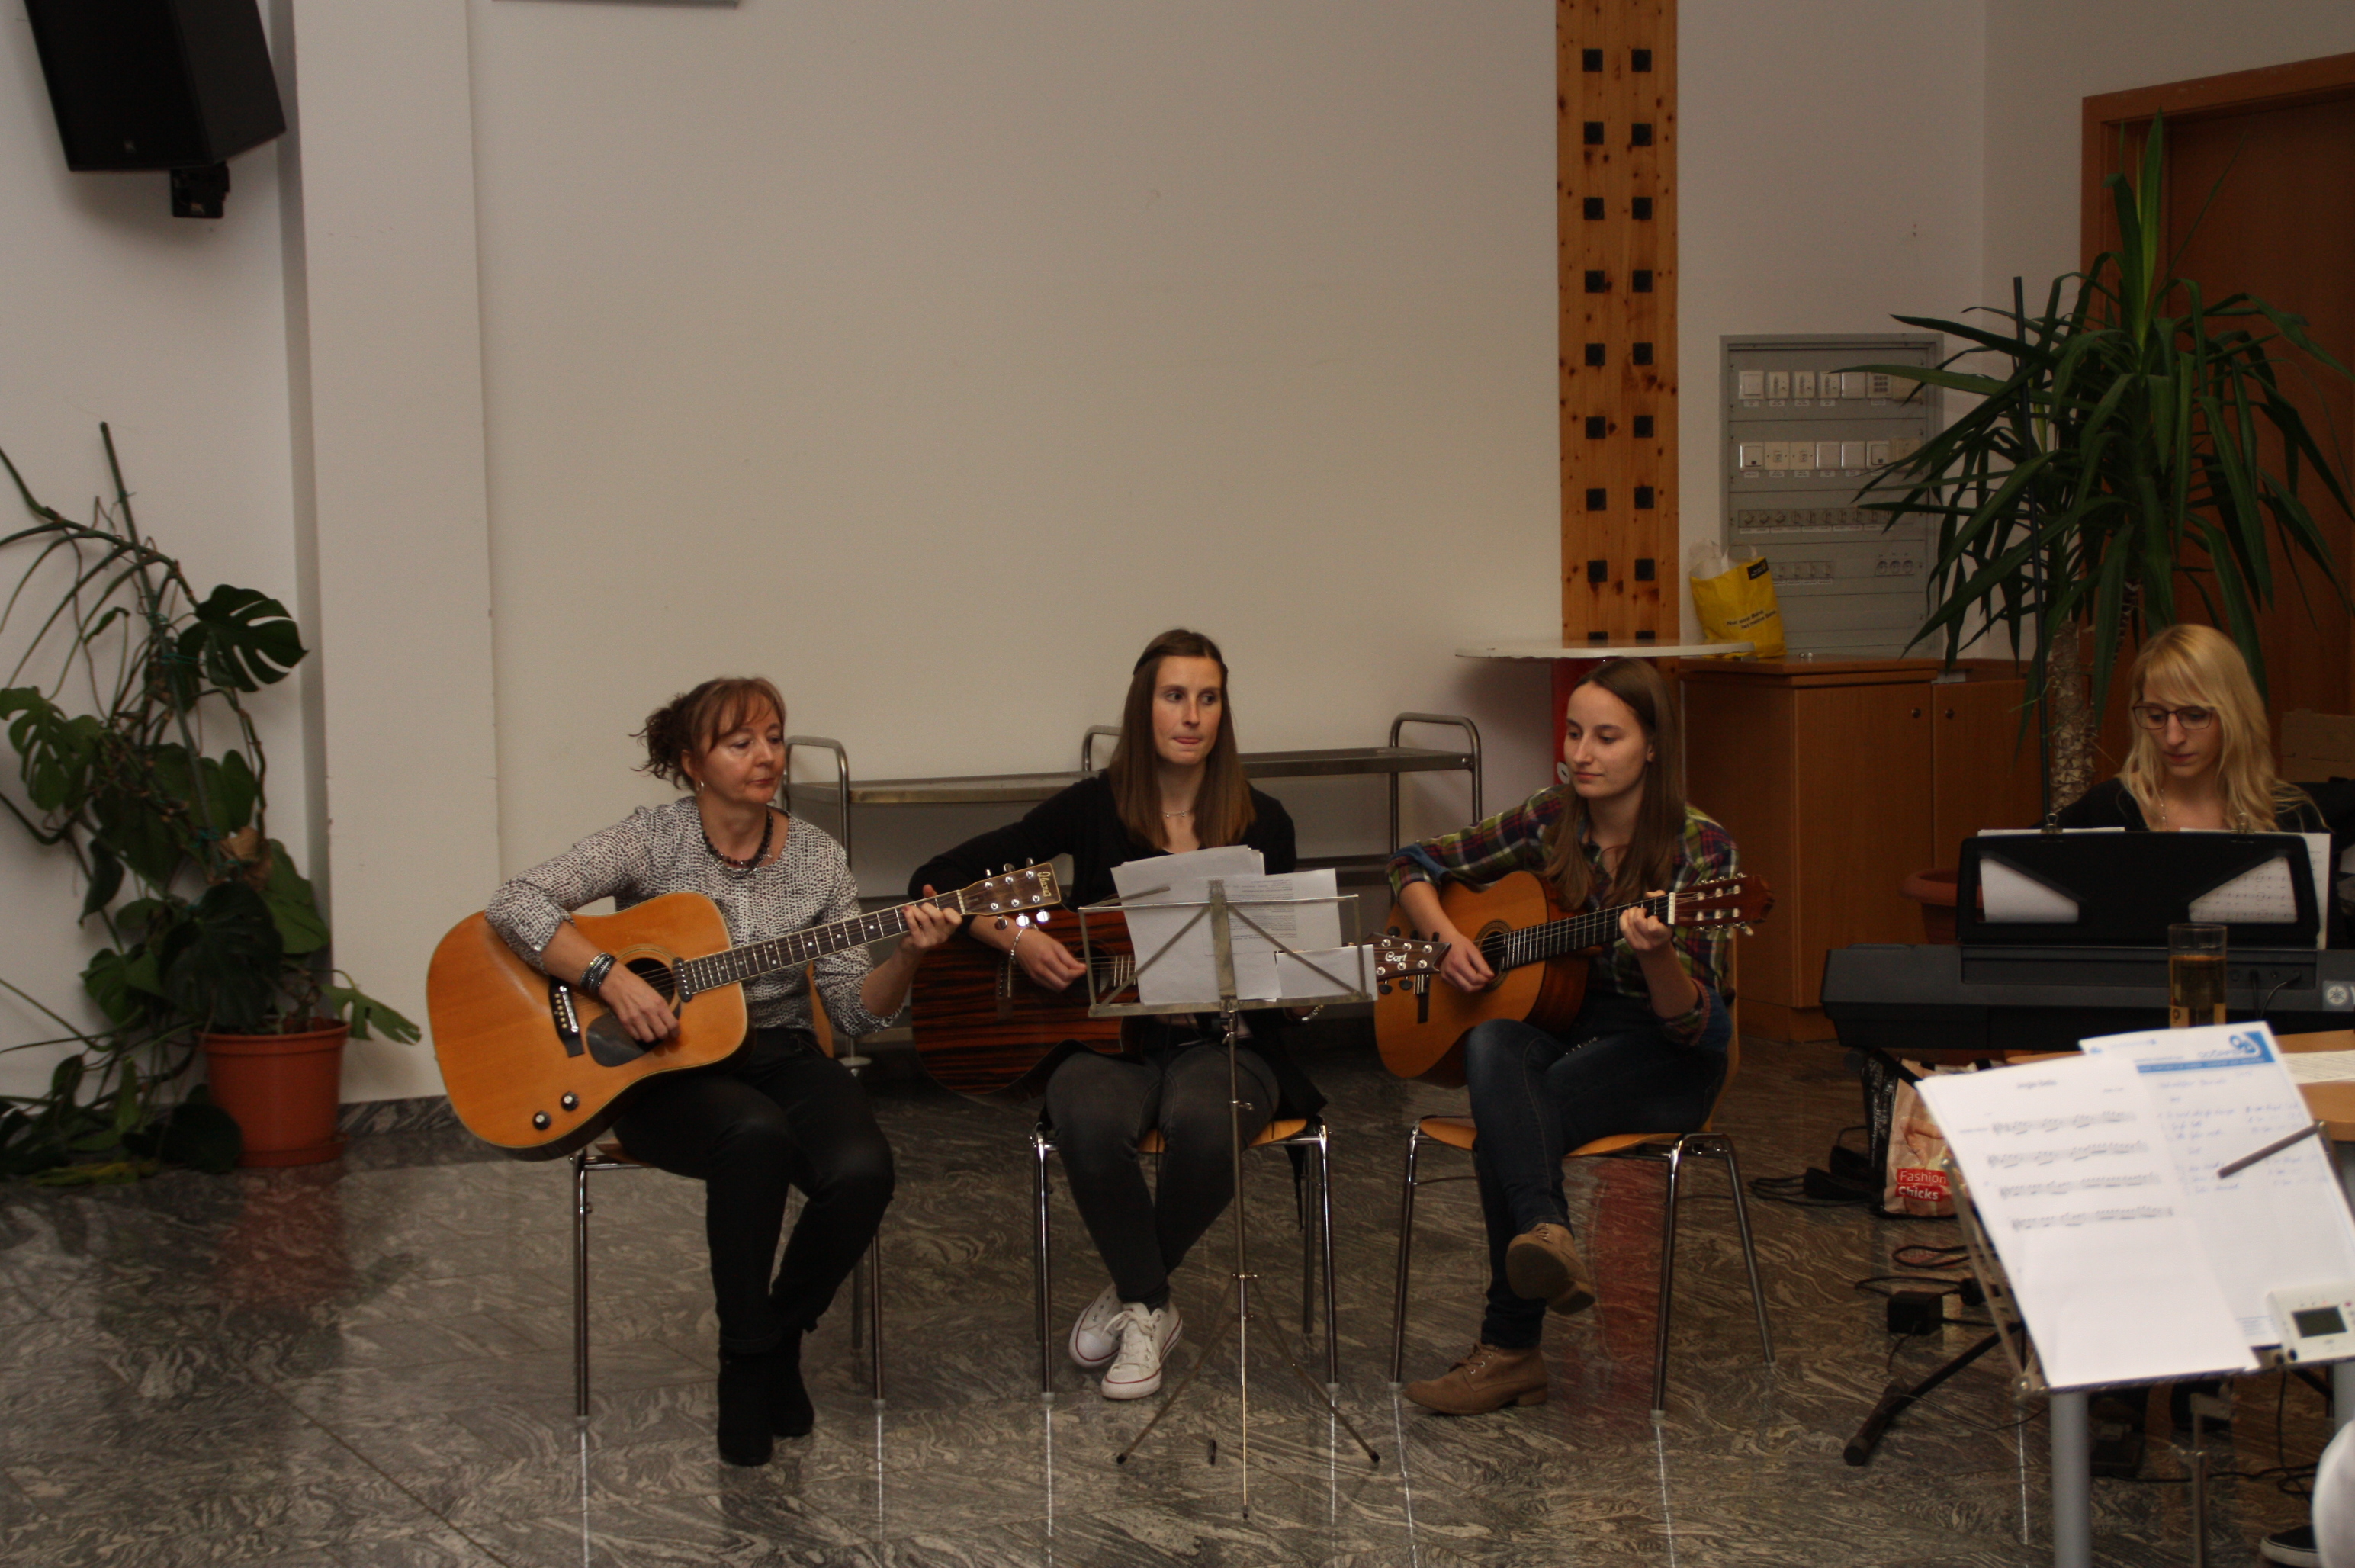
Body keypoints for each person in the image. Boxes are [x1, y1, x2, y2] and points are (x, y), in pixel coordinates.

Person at [484, 677, 959, 1467]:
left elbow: (853, 1012)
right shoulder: (652, 839)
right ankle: (745, 1364)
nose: (766, 755)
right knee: (753, 1135)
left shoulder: (818, 857)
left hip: (779, 1052)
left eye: (773, 737)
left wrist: (907, 955)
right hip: (659, 1071)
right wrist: (610, 976)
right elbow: (516, 903)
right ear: (691, 761)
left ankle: (774, 1339)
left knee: (862, 1170)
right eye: (741, 742)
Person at [908, 628, 1316, 1401]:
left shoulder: (1265, 821)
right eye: (1174, 696)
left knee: (1209, 1124)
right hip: (1106, 1041)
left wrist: (1297, 985)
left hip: (1226, 1042)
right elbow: (936, 879)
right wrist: (1018, 940)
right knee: (1087, 1121)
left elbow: (1280, 958)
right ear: (1142, 708)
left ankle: (1136, 1298)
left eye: (1208, 698)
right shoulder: (1093, 807)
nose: (1191, 715)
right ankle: (1150, 1301)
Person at [1390, 657, 1737, 1415]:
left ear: (1652, 745)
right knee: (1490, 1046)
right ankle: (1545, 1230)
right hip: (1571, 1026)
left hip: (1665, 1054)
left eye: (1606, 737)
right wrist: (1446, 940)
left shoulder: (1701, 850)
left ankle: (1509, 1349)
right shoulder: (1552, 818)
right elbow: (1411, 865)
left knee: (1509, 1124)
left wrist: (1657, 956)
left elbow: (1695, 1025)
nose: (1581, 753)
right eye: (1574, 733)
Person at [2056, 622, 2327, 837]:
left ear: (2235, 714)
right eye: (2156, 716)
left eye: (2195, 716)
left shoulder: (2291, 815)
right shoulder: (2106, 808)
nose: (2173, 737)